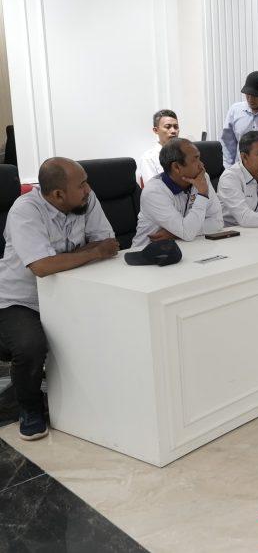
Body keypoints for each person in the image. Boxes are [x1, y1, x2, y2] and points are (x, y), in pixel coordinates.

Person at [0, 158, 119, 440]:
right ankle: (30, 407)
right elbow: (42, 267)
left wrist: (64, 259)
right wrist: (91, 252)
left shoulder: (85, 199)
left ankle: (99, 396)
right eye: (81, 185)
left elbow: (109, 243)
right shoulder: (25, 211)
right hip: (21, 300)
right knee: (30, 346)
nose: (88, 189)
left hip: (69, 292)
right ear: (58, 195)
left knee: (114, 323)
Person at [132, 138, 224, 247]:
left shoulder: (201, 178)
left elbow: (217, 222)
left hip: (184, 248)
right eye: (195, 159)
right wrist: (202, 194)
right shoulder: (154, 192)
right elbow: (187, 233)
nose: (201, 165)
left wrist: (176, 234)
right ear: (176, 167)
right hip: (146, 252)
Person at [138, 109, 180, 185]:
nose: (173, 131)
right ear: (156, 130)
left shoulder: (184, 153)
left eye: (176, 127)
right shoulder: (148, 158)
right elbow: (152, 189)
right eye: (168, 127)